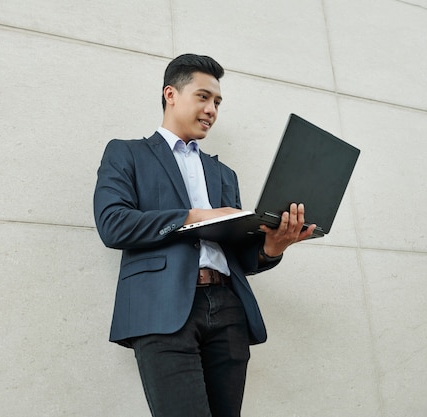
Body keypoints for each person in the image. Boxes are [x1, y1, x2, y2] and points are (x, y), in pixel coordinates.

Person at [93, 53, 315, 417]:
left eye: (217, 102)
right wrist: (196, 216)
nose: (212, 109)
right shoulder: (127, 153)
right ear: (170, 94)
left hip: (228, 308)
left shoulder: (223, 173)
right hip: (162, 310)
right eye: (203, 97)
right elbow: (112, 223)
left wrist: (273, 247)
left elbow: (241, 254)